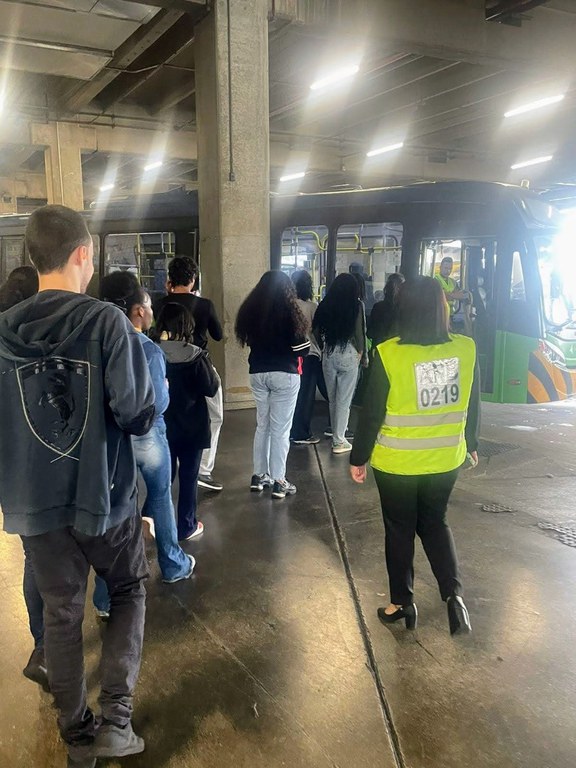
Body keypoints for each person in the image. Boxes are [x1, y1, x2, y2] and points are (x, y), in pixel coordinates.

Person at [0, 205, 155, 767]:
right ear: (82, 254)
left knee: (62, 616)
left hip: (37, 507)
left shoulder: (2, 332)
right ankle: (116, 719)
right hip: (105, 498)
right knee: (131, 589)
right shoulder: (107, 323)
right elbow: (136, 415)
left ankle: (77, 739)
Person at [349, 276, 480, 635]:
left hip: (397, 463)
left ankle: (402, 604)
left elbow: (371, 413)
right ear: (443, 307)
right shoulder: (466, 348)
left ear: (403, 308)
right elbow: (472, 401)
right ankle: (454, 598)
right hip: (445, 460)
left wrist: (357, 457)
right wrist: (472, 445)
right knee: (436, 522)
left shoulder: (389, 353)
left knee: (400, 530)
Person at [100, 271, 195, 583]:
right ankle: (173, 564)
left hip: (111, 437)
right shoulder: (149, 349)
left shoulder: (98, 344)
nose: (153, 311)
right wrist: (164, 388)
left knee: (115, 509)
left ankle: (105, 595)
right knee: (159, 495)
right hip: (148, 434)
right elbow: (158, 404)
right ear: (138, 311)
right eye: (149, 305)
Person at [235, 270, 309, 499]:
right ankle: (279, 480)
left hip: (258, 373)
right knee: (281, 430)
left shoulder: (252, 310)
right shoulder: (289, 312)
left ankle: (259, 476)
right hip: (284, 375)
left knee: (263, 426)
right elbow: (301, 348)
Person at [154, 256, 224, 492]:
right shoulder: (205, 305)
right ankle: (203, 468)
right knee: (215, 416)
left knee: (167, 416)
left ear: (169, 280)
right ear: (194, 279)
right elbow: (217, 334)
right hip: (198, 366)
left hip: (164, 367)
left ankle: (166, 464)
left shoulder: (159, 304)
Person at [154, 302, 219, 541]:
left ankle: (153, 523)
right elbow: (211, 388)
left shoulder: (152, 352)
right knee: (189, 478)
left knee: (162, 480)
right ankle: (186, 525)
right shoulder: (195, 354)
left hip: (162, 427)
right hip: (193, 427)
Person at [313, 273, 367, 455]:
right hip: (349, 353)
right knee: (344, 400)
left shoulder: (325, 304)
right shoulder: (356, 305)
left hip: (329, 353)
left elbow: (315, 329)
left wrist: (322, 346)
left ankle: (335, 432)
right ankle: (339, 440)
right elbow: (360, 332)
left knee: (333, 398)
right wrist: (361, 352)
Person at [289, 269, 321, 445]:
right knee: (306, 395)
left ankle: (291, 429)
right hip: (310, 354)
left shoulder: (287, 305)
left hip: (290, 355)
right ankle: (302, 432)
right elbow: (317, 332)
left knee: (292, 395)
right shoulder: (312, 307)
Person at [367, 272, 405, 348]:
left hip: (379, 351)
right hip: (398, 352)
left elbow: (370, 333)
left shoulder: (377, 307)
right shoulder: (405, 310)